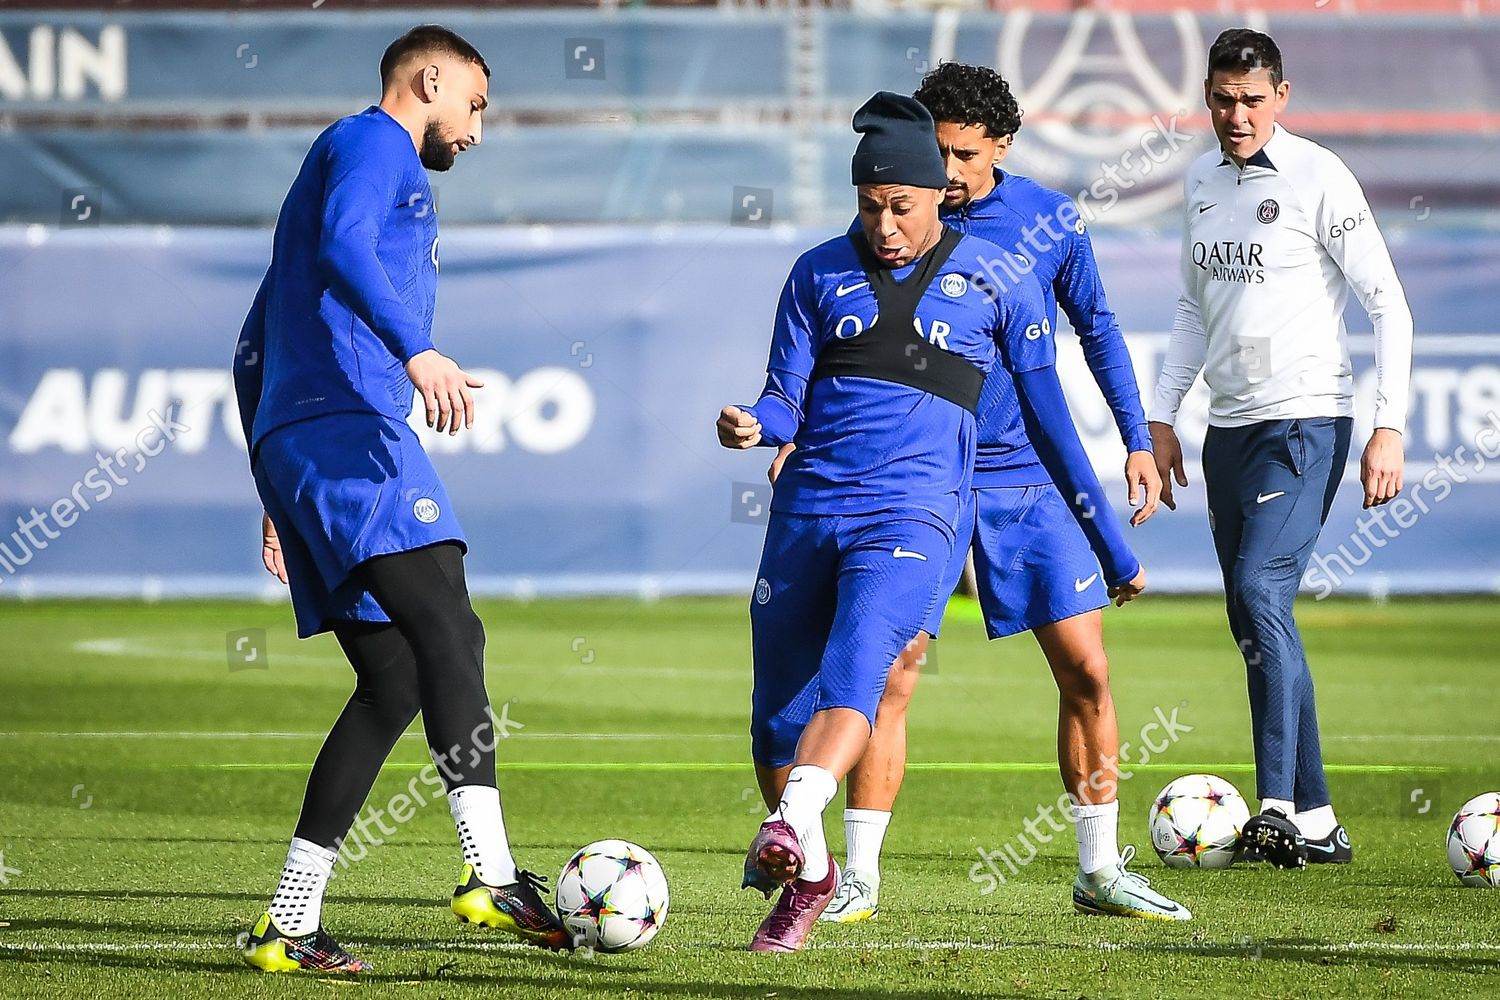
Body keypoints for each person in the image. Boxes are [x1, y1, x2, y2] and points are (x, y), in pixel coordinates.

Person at [718, 90, 1155, 955]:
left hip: (946, 496)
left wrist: (1111, 533)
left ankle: (1095, 863)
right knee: (783, 713)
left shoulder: (1013, 261)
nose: (887, 222)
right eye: (872, 205)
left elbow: (1057, 414)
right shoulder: (816, 271)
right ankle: (823, 870)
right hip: (815, 502)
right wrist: (760, 424)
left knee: (902, 660)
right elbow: (784, 390)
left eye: (905, 203)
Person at [231, 25, 569, 973]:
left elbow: (250, 345)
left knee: (394, 682)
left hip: (310, 449)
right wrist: (415, 351)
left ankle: (286, 924)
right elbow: (345, 246)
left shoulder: (333, 169)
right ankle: (492, 873)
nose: (476, 129)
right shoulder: (372, 143)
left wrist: (275, 484)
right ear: (430, 78)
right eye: (475, 104)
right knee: (453, 630)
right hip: (350, 435)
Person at [1148, 28, 1413, 869]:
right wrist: (1161, 417)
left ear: (1282, 97)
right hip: (1227, 430)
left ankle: (1273, 809)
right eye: (1222, 99)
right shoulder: (1197, 182)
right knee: (1253, 620)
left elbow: (1389, 306)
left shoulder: (1319, 175)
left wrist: (1388, 424)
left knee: (1262, 590)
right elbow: (1193, 311)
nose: (1236, 116)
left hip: (1306, 421)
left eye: (1252, 100)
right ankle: (1321, 818)